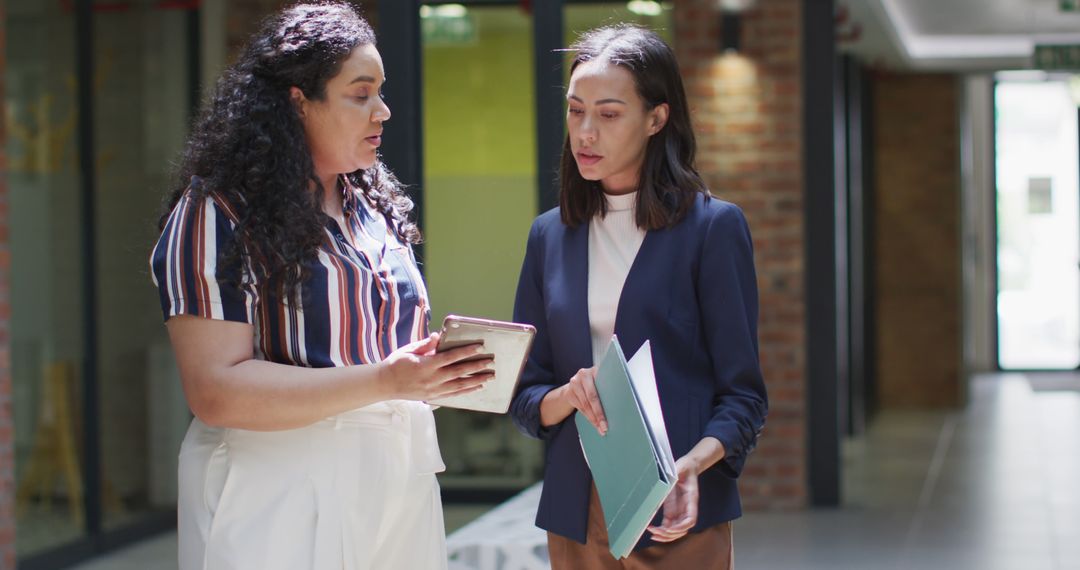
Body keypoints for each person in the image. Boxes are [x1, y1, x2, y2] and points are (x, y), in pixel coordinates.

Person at [149, 3, 492, 569]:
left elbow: (379, 355)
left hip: (400, 479)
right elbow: (213, 390)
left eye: (380, 92)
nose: (382, 111)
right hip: (278, 488)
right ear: (296, 103)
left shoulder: (371, 204)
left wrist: (432, 371)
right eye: (360, 94)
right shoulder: (219, 210)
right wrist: (386, 379)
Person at [509, 24, 769, 569]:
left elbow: (743, 400)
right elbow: (526, 396)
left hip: (679, 512)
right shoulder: (549, 236)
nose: (585, 132)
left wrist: (691, 467)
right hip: (576, 513)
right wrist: (569, 395)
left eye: (607, 114)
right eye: (575, 111)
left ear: (656, 118)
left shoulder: (712, 229)